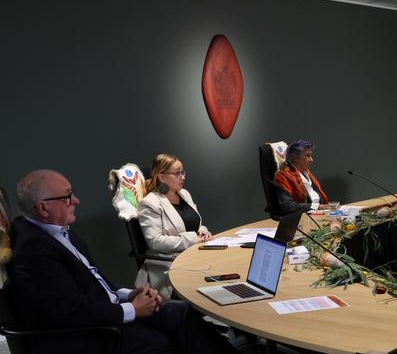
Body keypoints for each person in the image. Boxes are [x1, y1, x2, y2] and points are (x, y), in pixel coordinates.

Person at [8, 169, 236, 354]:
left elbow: (95, 281)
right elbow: (70, 312)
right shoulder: (32, 251)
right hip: (90, 333)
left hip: (108, 310)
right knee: (161, 342)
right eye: (67, 196)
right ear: (43, 207)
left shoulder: (60, 232)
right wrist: (133, 310)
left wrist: (130, 294)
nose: (75, 200)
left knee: (183, 314)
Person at [137, 153, 213, 301]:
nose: (183, 177)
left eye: (183, 172)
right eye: (177, 173)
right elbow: (155, 241)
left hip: (195, 256)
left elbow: (195, 224)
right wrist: (193, 238)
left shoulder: (184, 194)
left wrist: (203, 232)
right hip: (169, 265)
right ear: (162, 177)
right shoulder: (150, 204)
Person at [274, 140, 329, 215]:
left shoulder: (307, 173)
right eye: (307, 156)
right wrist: (315, 206)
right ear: (295, 157)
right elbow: (287, 206)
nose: (311, 160)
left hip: (319, 213)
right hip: (303, 217)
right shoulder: (284, 177)